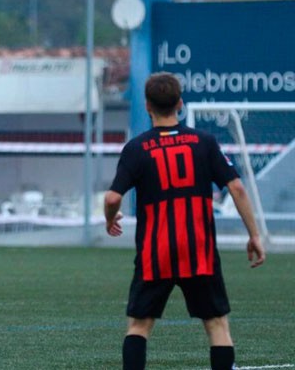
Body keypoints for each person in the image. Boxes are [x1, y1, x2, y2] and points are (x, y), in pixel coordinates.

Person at [103, 72, 266, 370]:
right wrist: (254, 234)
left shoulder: (137, 148)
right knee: (217, 325)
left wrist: (110, 219)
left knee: (139, 326)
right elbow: (237, 188)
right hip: (198, 251)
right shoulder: (203, 142)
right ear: (179, 103)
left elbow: (112, 198)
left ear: (147, 105)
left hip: (156, 252)